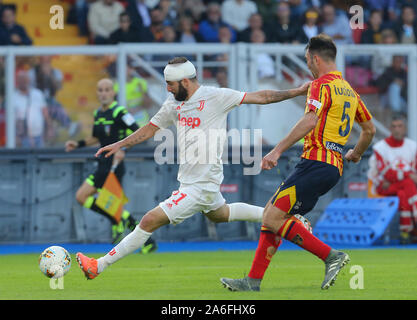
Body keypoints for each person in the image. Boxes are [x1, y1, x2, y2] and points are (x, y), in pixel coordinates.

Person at [75, 56, 310, 280]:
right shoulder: (173, 103)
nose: (167, 89)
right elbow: (149, 129)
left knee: (148, 220)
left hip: (200, 186)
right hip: (192, 183)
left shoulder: (215, 96)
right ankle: (288, 220)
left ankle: (99, 265)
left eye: (170, 84)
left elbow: (263, 97)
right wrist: (119, 144)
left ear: (185, 82)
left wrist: (297, 91)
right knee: (221, 214)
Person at [220, 34, 375, 292]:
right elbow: (369, 130)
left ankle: (331, 256)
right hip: (332, 167)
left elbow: (310, 120)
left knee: (271, 217)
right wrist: (356, 154)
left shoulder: (321, 85)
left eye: (306, 60)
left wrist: (276, 151)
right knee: (272, 214)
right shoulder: (350, 92)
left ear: (315, 58)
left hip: (315, 162)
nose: (307, 66)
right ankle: (253, 281)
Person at [65, 78, 157, 253]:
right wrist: (78, 144)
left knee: (84, 197)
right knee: (96, 202)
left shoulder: (120, 112)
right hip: (102, 164)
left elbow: (137, 132)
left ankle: (139, 234)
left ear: (113, 92)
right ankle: (145, 239)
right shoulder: (99, 113)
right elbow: (96, 138)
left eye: (107, 89)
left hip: (114, 165)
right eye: (100, 90)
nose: (104, 93)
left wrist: (124, 149)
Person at [368, 115, 417, 244]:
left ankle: (406, 232)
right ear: (390, 128)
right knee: (408, 182)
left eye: (400, 126)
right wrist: (408, 174)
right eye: (394, 126)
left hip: (404, 188)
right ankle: (413, 231)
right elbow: (387, 174)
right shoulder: (380, 147)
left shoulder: (413, 146)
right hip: (384, 187)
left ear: (405, 128)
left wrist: (401, 176)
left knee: (403, 192)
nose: (397, 130)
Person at [14, 70, 52, 148]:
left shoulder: (37, 94)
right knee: (25, 159)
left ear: (29, 80)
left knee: (41, 158)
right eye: (21, 79)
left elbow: (45, 112)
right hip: (22, 137)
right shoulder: (13, 97)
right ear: (18, 81)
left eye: (25, 79)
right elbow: (10, 119)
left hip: (39, 136)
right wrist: (15, 137)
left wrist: (49, 128)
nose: (24, 81)